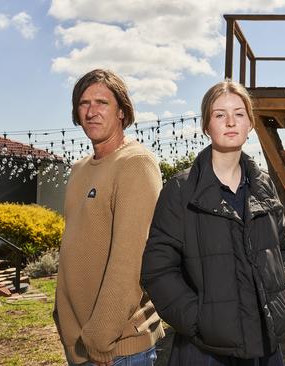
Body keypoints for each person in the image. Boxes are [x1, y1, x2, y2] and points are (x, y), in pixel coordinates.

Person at [141, 80, 285, 365]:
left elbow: (282, 252)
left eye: (239, 113)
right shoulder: (180, 190)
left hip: (265, 345)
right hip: (204, 351)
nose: (230, 122)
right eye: (219, 114)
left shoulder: (264, 185)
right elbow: (158, 270)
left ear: (250, 124)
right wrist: (199, 321)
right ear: (206, 125)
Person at [54, 69, 164, 366]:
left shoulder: (136, 164)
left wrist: (100, 337)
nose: (91, 111)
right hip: (78, 342)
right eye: (84, 103)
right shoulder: (78, 170)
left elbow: (131, 261)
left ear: (121, 111)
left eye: (101, 102)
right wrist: (64, 321)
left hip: (118, 348)